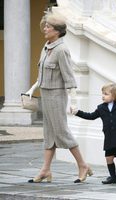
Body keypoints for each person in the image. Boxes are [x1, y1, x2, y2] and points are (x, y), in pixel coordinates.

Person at [26, 12, 92, 183]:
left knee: (62, 133)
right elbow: (42, 73)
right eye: (45, 25)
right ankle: (45, 170)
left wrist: (74, 102)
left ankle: (83, 165)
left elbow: (69, 77)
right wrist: (32, 89)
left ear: (57, 31)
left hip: (56, 96)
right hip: (46, 95)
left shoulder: (62, 50)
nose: (45, 28)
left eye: (48, 26)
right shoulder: (46, 46)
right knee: (49, 134)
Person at [71, 83, 116, 184]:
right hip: (109, 136)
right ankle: (113, 178)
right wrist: (77, 112)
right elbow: (91, 116)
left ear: (114, 95)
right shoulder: (101, 108)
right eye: (102, 94)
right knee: (109, 158)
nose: (103, 96)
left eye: (106, 94)